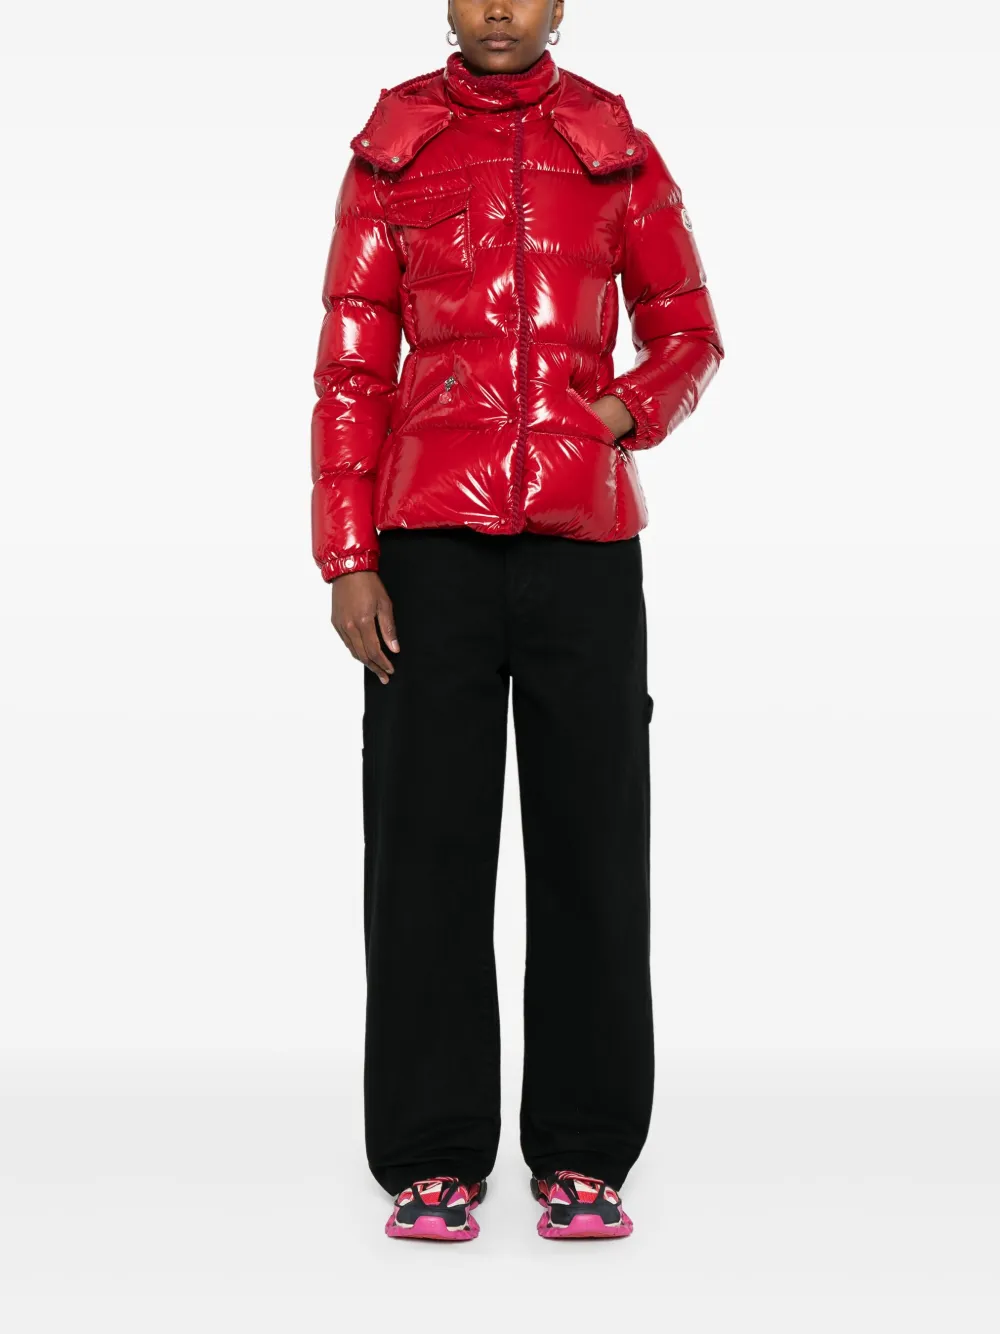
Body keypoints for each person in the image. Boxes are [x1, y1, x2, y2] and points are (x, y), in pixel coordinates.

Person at [310, 0, 724, 1242]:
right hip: (425, 550)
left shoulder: (614, 144)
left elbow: (689, 332)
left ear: (560, 3)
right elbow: (350, 369)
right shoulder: (393, 147)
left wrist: (612, 419)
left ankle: (585, 1150)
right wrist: (347, 556)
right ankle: (431, 1153)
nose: (500, 7)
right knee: (423, 851)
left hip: (583, 548)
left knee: (594, 847)